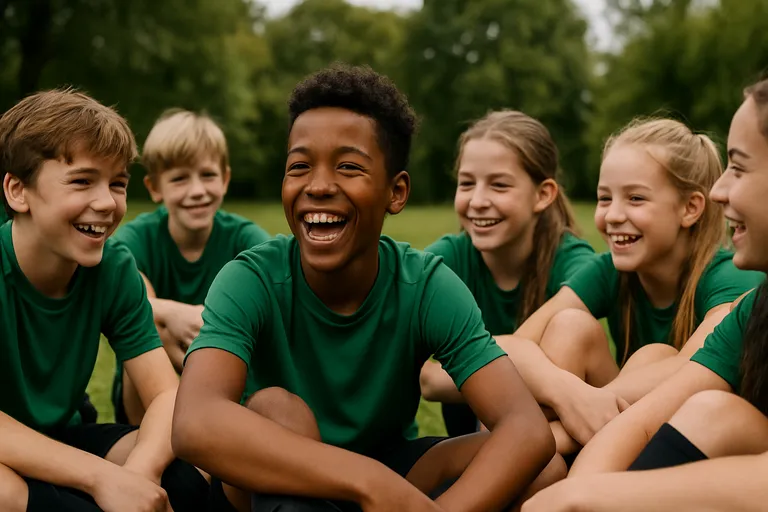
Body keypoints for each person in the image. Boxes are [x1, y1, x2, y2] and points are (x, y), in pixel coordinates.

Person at [171, 63, 555, 512]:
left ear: (396, 192)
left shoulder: (425, 284)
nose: (317, 186)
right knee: (278, 407)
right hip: (278, 473)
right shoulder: (252, 278)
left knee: (544, 471)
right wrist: (368, 482)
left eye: (349, 166)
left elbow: (526, 428)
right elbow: (194, 423)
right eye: (299, 166)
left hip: (390, 466)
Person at [521, 76, 768, 511]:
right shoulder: (755, 309)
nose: (719, 190)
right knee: (598, 338)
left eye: (740, 167)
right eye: (605, 197)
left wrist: (578, 485)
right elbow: (644, 419)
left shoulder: (731, 282)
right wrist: (569, 400)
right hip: (617, 431)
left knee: (708, 405)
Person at [491, 116, 764, 452]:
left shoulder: (730, 276)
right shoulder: (610, 269)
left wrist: (586, 406)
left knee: (654, 356)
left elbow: (691, 370)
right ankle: (534, 454)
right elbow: (511, 348)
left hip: (700, 437)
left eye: (635, 199)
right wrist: (568, 393)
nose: (614, 215)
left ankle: (524, 449)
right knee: (570, 326)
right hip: (617, 422)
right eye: (605, 198)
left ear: (690, 208)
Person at [0, 89, 208, 511]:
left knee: (194, 461)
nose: (106, 202)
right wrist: (102, 479)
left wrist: (139, 475)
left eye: (118, 184)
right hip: (8, 449)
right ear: (18, 191)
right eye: (82, 181)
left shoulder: (113, 267)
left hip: (66, 437)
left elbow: (167, 397)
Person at [418, 110, 595, 438]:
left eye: (499, 185)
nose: (478, 201)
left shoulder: (574, 263)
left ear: (543, 195)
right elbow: (423, 379)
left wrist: (462, 370)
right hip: (471, 435)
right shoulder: (443, 262)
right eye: (467, 183)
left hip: (559, 432)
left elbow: (576, 355)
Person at [111, 109, 270, 425]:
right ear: (155, 188)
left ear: (224, 179)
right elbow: (127, 305)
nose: (197, 191)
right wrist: (172, 312)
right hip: (148, 391)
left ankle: (219, 431)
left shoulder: (247, 240)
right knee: (152, 325)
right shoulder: (135, 240)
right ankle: (161, 435)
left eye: (207, 175)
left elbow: (278, 299)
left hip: (225, 373)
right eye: (180, 178)